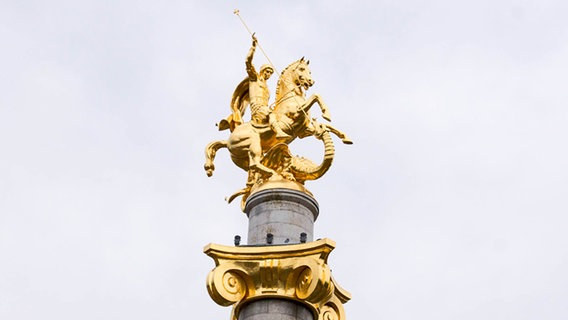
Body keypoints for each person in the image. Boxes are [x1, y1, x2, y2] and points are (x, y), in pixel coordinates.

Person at [245, 34, 289, 138]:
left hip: (265, 108)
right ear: (262, 71)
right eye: (267, 71)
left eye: (270, 73)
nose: (268, 74)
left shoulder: (267, 87)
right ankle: (278, 131)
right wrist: (253, 47)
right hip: (258, 109)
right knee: (272, 114)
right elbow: (248, 62)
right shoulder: (254, 78)